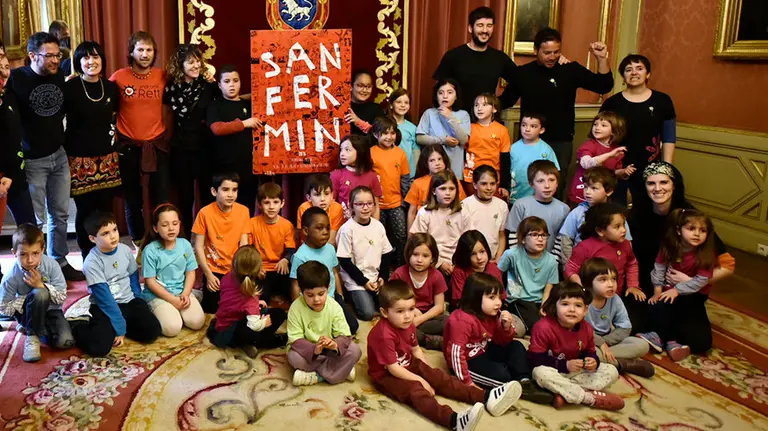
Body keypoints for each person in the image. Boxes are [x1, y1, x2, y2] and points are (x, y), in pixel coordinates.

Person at [367, 279, 523, 430]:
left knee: (439, 376)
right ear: (384, 312)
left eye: (411, 309)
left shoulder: (407, 324)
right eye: (400, 311)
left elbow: (416, 350)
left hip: (406, 363)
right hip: (386, 375)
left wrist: (428, 374)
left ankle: (486, 397)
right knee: (416, 390)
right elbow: (393, 368)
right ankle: (453, 421)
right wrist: (422, 381)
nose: (408, 316)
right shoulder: (384, 335)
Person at [6, 32, 84, 281]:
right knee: (35, 220)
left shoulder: (60, 74)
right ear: (32, 56)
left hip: (58, 156)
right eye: (49, 55)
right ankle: (34, 267)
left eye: (57, 55)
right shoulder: (16, 78)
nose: (55, 60)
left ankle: (59, 261)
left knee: (59, 215)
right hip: (32, 161)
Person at [627, 162, 735, 338]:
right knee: (633, 326)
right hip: (645, 287)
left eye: (664, 182)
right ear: (644, 187)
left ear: (674, 185)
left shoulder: (692, 220)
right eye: (651, 183)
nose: (657, 188)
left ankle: (664, 332)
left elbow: (728, 265)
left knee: (699, 340)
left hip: (683, 289)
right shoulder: (635, 215)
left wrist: (694, 281)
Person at [501, 28, 614, 191]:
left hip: (561, 141)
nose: (552, 57)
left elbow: (604, 85)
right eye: (547, 52)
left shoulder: (569, 69)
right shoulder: (523, 73)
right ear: (536, 50)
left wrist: (602, 58)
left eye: (556, 52)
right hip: (530, 141)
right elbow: (504, 101)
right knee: (526, 185)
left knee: (555, 188)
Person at [445, 273, 552, 405]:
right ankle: (516, 387)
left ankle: (525, 382)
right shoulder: (462, 320)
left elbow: (501, 342)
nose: (498, 303)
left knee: (517, 346)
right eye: (492, 297)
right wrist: (467, 382)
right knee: (503, 375)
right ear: (475, 298)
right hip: (467, 360)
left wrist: (506, 328)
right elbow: (455, 353)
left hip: (485, 350)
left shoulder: (492, 314)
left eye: (499, 298)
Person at [71, 212, 161, 357]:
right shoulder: (91, 262)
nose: (113, 236)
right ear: (93, 238)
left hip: (129, 301)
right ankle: (78, 326)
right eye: (105, 233)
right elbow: (105, 299)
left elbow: (133, 277)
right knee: (99, 348)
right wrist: (119, 327)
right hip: (104, 306)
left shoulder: (125, 250)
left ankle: (120, 324)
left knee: (152, 332)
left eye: (115, 230)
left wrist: (138, 298)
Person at [110, 31, 171, 241]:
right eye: (141, 50)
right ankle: (138, 242)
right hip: (129, 146)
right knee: (132, 200)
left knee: (161, 197)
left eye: (149, 50)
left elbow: (186, 86)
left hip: (157, 145)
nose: (145, 54)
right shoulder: (119, 77)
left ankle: (163, 240)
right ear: (132, 52)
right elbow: (100, 95)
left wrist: (208, 74)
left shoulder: (163, 76)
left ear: (154, 53)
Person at [64, 41, 121, 260]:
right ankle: (88, 255)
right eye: (86, 57)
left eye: (95, 57)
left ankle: (108, 252)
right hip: (80, 160)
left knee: (106, 209)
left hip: (107, 159)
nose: (91, 62)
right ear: (79, 62)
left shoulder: (111, 87)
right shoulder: (69, 87)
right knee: (86, 211)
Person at [637, 208, 718, 360]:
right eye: (691, 229)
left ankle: (664, 338)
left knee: (702, 343)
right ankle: (669, 340)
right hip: (668, 291)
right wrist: (657, 290)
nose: (697, 234)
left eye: (702, 230)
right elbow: (659, 267)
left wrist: (677, 290)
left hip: (693, 297)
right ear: (679, 230)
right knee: (657, 306)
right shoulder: (669, 246)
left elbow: (701, 280)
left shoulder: (705, 254)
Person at [529, 281, 624, 411]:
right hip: (553, 371)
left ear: (585, 310)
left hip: (575, 373)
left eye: (578, 305)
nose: (572, 309)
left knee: (611, 371)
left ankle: (563, 393)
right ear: (554, 306)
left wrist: (593, 361)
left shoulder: (587, 329)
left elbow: (590, 352)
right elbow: (535, 359)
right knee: (539, 373)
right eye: (565, 304)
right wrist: (565, 365)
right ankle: (588, 398)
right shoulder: (543, 327)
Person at [600, 54, 676, 205]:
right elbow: (600, 138)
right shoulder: (612, 103)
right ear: (623, 76)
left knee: (648, 210)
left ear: (648, 74)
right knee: (616, 211)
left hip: (651, 167)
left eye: (639, 68)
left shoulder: (663, 101)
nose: (634, 72)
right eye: (628, 70)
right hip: (617, 167)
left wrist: (665, 168)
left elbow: (669, 137)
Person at [165, 44, 220, 233]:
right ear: (180, 65)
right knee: (185, 198)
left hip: (205, 147)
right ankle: (186, 240)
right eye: (191, 62)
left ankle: (207, 237)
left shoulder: (208, 86)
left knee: (207, 196)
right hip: (181, 148)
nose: (196, 66)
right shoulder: (171, 88)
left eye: (198, 61)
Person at [0, 224, 73, 362]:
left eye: (35, 253)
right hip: (25, 313)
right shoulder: (10, 277)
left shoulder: (52, 266)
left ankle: (32, 327)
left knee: (65, 342)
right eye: (23, 254)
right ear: (14, 253)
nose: (30, 260)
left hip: (52, 311)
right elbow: (4, 309)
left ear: (42, 250)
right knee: (40, 294)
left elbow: (62, 297)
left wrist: (41, 285)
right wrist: (28, 298)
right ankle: (32, 335)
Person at [433, 6, 517, 120]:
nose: (485, 30)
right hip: (457, 122)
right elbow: (439, 89)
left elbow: (518, 81)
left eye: (489, 26)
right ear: (470, 28)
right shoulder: (453, 56)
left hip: (487, 123)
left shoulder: (499, 58)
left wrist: (498, 103)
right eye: (480, 25)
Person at [287, 261, 362, 386]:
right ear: (301, 291)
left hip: (330, 349)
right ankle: (341, 371)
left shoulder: (334, 306)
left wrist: (334, 345)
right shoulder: (295, 308)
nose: (316, 299)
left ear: (328, 287)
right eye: (310, 295)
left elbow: (344, 335)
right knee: (293, 357)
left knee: (355, 351)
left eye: (321, 294)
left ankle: (316, 376)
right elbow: (296, 340)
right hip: (308, 351)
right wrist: (314, 349)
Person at [207, 245, 288, 358]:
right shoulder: (250, 297)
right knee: (279, 314)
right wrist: (264, 323)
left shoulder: (227, 277)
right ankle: (267, 342)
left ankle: (246, 345)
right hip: (232, 332)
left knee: (262, 312)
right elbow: (254, 325)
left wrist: (256, 305)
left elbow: (232, 300)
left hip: (222, 324)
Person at [580, 258, 654, 377]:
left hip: (609, 340)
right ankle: (621, 364)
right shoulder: (581, 300)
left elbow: (625, 327)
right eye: (603, 280)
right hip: (588, 342)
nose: (611, 284)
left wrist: (606, 342)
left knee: (643, 345)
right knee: (586, 352)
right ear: (588, 283)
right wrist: (599, 343)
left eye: (613, 279)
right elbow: (578, 330)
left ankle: (605, 360)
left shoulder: (615, 299)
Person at [290, 207, 359, 335]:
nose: (325, 232)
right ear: (305, 230)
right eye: (319, 228)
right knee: (311, 330)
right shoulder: (300, 256)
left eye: (327, 228)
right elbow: (295, 283)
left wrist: (340, 296)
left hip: (331, 298)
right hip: (310, 300)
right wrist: (296, 308)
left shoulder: (330, 249)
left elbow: (334, 273)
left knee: (352, 326)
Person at [140, 204, 204, 337]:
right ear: (155, 228)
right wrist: (172, 300)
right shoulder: (150, 251)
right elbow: (151, 283)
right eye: (165, 225)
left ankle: (189, 299)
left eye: (174, 223)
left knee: (197, 322)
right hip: (159, 295)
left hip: (181, 291)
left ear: (179, 224)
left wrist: (186, 293)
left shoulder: (185, 244)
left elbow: (190, 272)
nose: (171, 228)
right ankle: (155, 308)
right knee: (172, 328)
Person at [192, 173, 251, 314]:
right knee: (212, 309)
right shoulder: (204, 213)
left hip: (235, 268)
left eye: (234, 190)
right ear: (214, 191)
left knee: (238, 307)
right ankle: (200, 292)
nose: (230, 194)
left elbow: (244, 244)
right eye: (225, 190)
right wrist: (208, 274)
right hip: (213, 269)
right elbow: (198, 246)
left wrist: (241, 272)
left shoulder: (243, 211)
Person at [206, 64, 261, 214]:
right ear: (219, 85)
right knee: (222, 210)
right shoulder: (214, 106)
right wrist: (244, 123)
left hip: (248, 170)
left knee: (245, 210)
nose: (232, 85)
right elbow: (217, 128)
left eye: (235, 80)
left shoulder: (250, 105)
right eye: (227, 81)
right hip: (223, 168)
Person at [0, 50, 37, 260]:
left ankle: (35, 273)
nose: (4, 74)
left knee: (29, 227)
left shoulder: (9, 95)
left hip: (16, 176)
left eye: (6, 68)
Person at [337, 186, 394, 321]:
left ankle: (371, 298)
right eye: (360, 204)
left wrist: (382, 277)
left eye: (369, 203)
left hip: (375, 277)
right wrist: (364, 282)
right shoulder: (347, 229)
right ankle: (353, 298)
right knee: (367, 313)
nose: (365, 208)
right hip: (356, 280)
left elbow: (386, 253)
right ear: (351, 206)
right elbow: (344, 261)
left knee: (390, 305)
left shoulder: (378, 226)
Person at [557, 167, 632, 263]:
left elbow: (626, 242)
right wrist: (569, 266)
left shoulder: (616, 214)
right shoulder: (577, 212)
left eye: (594, 188)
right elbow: (565, 240)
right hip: (582, 266)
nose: (587, 192)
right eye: (585, 187)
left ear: (608, 191)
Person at [565, 203, 639, 299]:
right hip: (590, 298)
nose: (623, 230)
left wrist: (633, 286)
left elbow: (631, 263)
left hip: (616, 297)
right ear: (600, 231)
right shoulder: (585, 247)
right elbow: (570, 269)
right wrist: (581, 288)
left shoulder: (625, 244)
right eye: (617, 226)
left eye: (623, 225)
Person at [498, 217, 558, 334]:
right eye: (534, 235)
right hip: (518, 299)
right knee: (537, 326)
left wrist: (543, 307)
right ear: (523, 239)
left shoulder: (552, 261)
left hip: (540, 301)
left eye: (544, 235)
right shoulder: (511, 255)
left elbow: (548, 289)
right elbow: (496, 275)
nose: (540, 239)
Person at [390, 233, 448, 350]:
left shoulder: (436, 276)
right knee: (396, 328)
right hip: (405, 317)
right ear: (408, 253)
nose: (419, 260)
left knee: (450, 321)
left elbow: (439, 306)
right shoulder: (399, 274)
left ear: (432, 258)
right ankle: (428, 340)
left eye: (425, 256)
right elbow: (392, 301)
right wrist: (412, 311)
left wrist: (419, 319)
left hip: (428, 316)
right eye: (415, 254)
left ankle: (425, 335)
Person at [240, 183, 296, 303]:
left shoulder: (287, 225)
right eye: (266, 203)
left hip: (280, 267)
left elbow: (291, 249)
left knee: (290, 292)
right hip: (261, 269)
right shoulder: (252, 223)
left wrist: (285, 259)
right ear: (259, 204)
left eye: (275, 202)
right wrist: (256, 266)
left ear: (282, 203)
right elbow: (248, 249)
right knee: (260, 296)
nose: (271, 207)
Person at [410, 170, 471, 278]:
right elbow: (418, 242)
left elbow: (469, 241)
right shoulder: (425, 213)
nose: (448, 193)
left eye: (452, 189)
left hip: (458, 262)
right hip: (431, 261)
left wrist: (459, 263)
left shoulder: (463, 212)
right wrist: (439, 263)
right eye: (443, 189)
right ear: (434, 191)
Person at [567, 112, 634, 206]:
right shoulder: (589, 145)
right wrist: (609, 155)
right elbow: (586, 164)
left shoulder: (617, 151)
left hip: (600, 197)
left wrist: (624, 171)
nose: (597, 127)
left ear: (614, 131)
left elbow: (612, 173)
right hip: (580, 196)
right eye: (595, 124)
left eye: (603, 125)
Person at [370, 116, 411, 267]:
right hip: (376, 206)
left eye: (392, 133)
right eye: (385, 133)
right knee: (378, 237)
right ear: (376, 134)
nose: (389, 137)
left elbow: (405, 179)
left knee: (401, 236)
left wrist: (404, 201)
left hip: (396, 203)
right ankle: (381, 268)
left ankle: (401, 266)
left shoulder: (400, 153)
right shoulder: (371, 153)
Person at [505, 160, 569, 253]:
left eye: (551, 180)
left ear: (557, 183)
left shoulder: (564, 209)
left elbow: (560, 240)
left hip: (549, 262)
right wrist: (518, 259)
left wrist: (552, 262)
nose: (547, 185)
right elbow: (514, 235)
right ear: (531, 184)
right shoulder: (521, 205)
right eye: (540, 181)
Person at [416, 78, 471, 180]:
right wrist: (443, 140)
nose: (445, 96)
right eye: (441, 93)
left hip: (454, 170)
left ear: (456, 96)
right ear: (436, 96)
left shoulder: (463, 114)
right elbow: (420, 138)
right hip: (432, 170)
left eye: (450, 92)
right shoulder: (429, 113)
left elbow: (463, 140)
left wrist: (449, 117)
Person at [404, 146, 466, 231]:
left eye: (440, 159)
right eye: (432, 160)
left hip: (451, 226)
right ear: (425, 163)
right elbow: (412, 212)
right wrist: (410, 237)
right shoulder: (418, 183)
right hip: (425, 227)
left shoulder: (454, 180)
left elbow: (462, 204)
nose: (437, 163)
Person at [463, 93, 510, 197]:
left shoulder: (502, 130)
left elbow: (505, 159)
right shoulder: (468, 128)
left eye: (484, 105)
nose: (479, 108)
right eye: (476, 105)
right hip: (471, 177)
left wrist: (504, 185)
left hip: (493, 178)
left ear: (494, 109)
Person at [330, 134, 383, 220]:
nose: (342, 154)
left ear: (360, 151)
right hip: (343, 225)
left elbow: (375, 207)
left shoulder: (372, 176)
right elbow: (331, 204)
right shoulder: (336, 175)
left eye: (347, 150)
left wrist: (375, 228)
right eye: (341, 150)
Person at [509, 113, 559, 204]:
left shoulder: (546, 150)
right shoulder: (513, 148)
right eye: (524, 125)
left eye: (533, 126)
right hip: (516, 197)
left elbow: (554, 172)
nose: (527, 129)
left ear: (542, 130)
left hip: (538, 198)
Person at [462, 165, 509, 261]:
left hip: (493, 259)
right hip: (472, 259)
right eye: (484, 184)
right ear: (475, 184)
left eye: (492, 184)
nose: (489, 188)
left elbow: (501, 234)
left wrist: (498, 258)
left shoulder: (502, 205)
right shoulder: (465, 205)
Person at [450, 230, 503, 310]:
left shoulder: (493, 269)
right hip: (468, 312)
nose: (479, 257)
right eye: (473, 254)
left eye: (482, 251)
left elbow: (501, 296)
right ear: (465, 255)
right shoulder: (459, 272)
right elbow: (459, 301)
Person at [295, 174, 345, 247]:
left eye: (326, 194)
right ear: (309, 197)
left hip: (328, 247)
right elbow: (304, 238)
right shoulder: (303, 208)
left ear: (332, 195)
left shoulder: (337, 208)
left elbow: (332, 240)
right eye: (317, 194)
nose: (322, 199)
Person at [388, 88, 419, 178]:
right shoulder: (384, 124)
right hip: (389, 170)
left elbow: (415, 151)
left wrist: (414, 171)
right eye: (398, 102)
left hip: (407, 173)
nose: (402, 105)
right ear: (391, 105)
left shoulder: (412, 127)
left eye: (406, 102)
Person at [345, 70, 385, 135]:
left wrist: (358, 122)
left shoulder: (376, 109)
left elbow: (381, 135)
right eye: (360, 86)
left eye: (368, 86)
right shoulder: (344, 107)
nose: (364, 90)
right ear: (351, 86)